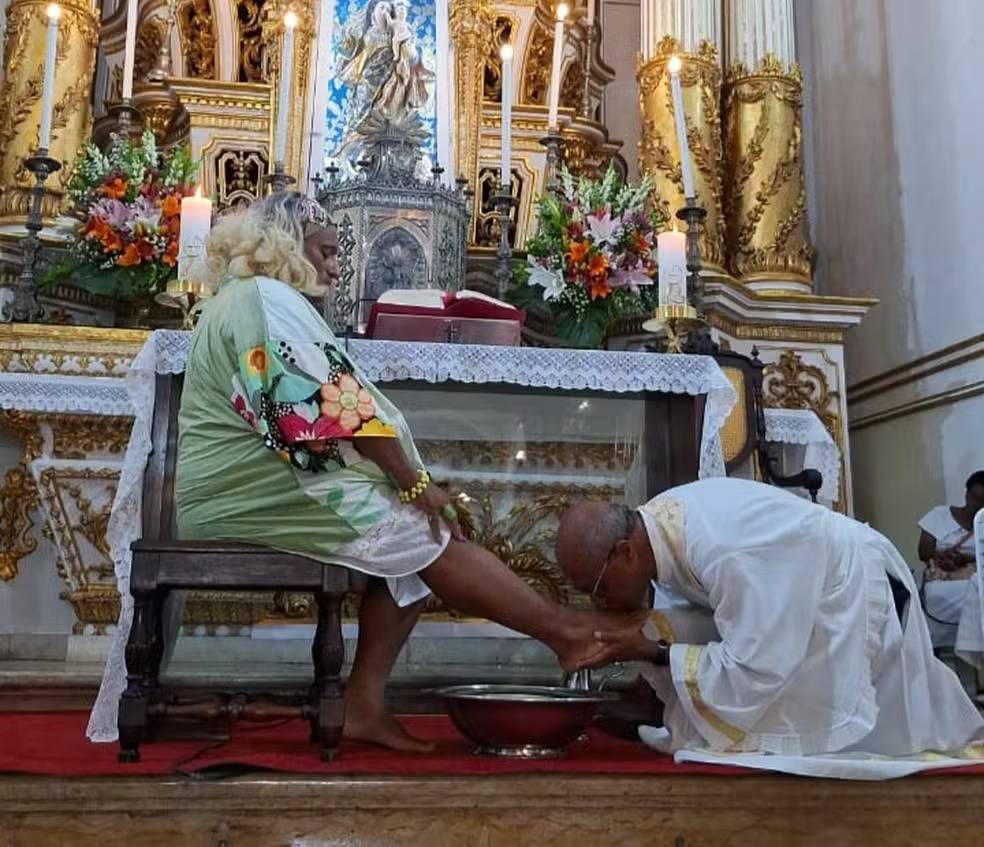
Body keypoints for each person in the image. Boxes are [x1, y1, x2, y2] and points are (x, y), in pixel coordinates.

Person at [175, 192, 638, 752]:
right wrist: (414, 485)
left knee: (414, 556)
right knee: (422, 532)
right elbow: (334, 407)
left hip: (250, 481)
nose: (336, 265)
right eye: (324, 250)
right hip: (240, 491)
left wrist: (406, 486)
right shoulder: (264, 299)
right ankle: (565, 634)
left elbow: (312, 413)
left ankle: (362, 707)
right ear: (285, 245)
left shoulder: (248, 298)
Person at [555, 478, 984, 760]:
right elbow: (711, 618)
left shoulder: (724, 549)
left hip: (849, 599)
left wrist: (651, 651)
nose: (600, 601)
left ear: (626, 553)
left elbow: (754, 669)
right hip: (806, 590)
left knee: (885, 739)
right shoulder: (660, 525)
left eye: (596, 588)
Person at [917, 471, 984, 649]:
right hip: (940, 578)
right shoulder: (939, 515)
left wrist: (967, 558)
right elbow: (923, 552)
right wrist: (942, 557)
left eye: (982, 501)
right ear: (966, 494)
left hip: (971, 579)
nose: (976, 505)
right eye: (974, 498)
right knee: (936, 594)